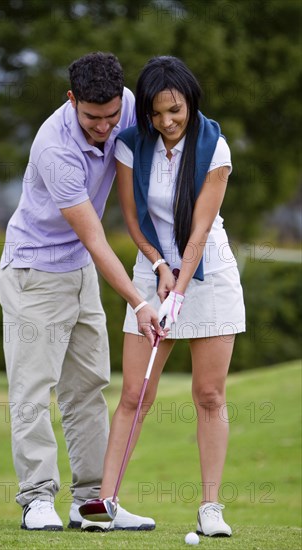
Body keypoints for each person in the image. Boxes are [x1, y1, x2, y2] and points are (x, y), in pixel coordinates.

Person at [0, 52, 163, 532]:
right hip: (33, 271)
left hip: (80, 271)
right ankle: (36, 499)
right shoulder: (55, 148)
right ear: (72, 101)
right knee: (33, 388)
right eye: (93, 118)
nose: (106, 127)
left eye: (112, 116)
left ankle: (92, 501)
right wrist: (140, 299)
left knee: (88, 388)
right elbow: (94, 236)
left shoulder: (127, 106)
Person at [88, 56, 246, 536]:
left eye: (174, 110)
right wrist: (159, 268)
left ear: (190, 103)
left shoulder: (213, 146)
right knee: (136, 393)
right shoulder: (132, 144)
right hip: (150, 272)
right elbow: (132, 220)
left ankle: (211, 509)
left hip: (208, 275)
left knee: (209, 394)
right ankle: (106, 502)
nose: (166, 121)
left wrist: (181, 283)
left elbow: (199, 231)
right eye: (156, 113)